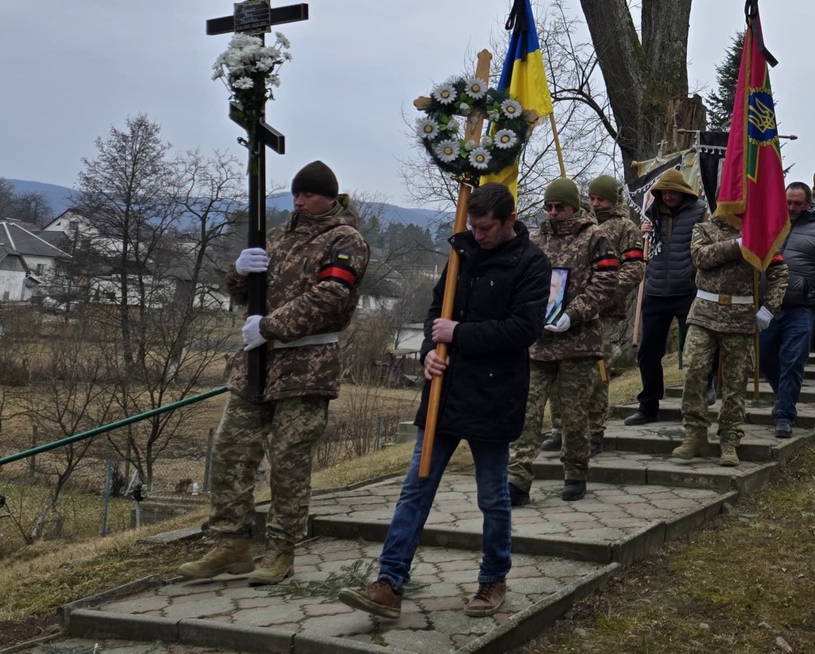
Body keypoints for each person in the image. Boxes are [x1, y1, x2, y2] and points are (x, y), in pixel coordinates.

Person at [339, 182, 548, 622]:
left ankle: (493, 579)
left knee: (493, 496)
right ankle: (389, 582)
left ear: (510, 220)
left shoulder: (533, 263)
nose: (478, 235)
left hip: (495, 395)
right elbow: (438, 314)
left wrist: (460, 336)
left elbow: (523, 329)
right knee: (415, 489)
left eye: (486, 227)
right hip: (445, 391)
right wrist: (429, 353)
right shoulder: (461, 253)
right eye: (472, 226)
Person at [179, 161, 368, 586]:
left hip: (306, 366)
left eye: (309, 194)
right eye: (296, 194)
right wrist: (239, 272)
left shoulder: (345, 240)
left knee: (288, 461)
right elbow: (245, 292)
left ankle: (281, 549)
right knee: (231, 451)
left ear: (330, 197)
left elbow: (332, 296)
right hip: (256, 365)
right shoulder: (278, 237)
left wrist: (268, 326)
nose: (300, 201)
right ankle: (231, 543)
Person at [509, 178, 621, 505]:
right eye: (549, 207)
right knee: (527, 412)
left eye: (560, 206)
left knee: (573, 416)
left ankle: (575, 471)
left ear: (575, 205)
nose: (554, 212)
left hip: (579, 343)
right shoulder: (534, 239)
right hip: (538, 343)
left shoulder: (595, 238)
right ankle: (517, 477)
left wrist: (575, 313)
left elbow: (606, 281)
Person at [672, 209, 787, 466]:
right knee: (693, 372)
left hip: (741, 316)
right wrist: (738, 245)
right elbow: (701, 257)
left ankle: (730, 439)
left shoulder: (760, 234)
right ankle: (695, 433)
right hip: (704, 313)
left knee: (736, 382)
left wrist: (769, 308)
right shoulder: (704, 228)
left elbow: (780, 272)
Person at [767, 183, 815, 438]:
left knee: (793, 361)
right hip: (768, 306)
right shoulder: (771, 224)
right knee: (765, 356)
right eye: (788, 202)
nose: (792, 208)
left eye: (798, 203)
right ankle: (784, 397)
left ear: (809, 204)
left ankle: (784, 415)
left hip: (802, 308)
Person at [630, 168, 703, 425]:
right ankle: (648, 405)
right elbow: (638, 250)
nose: (669, 196)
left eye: (674, 192)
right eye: (665, 192)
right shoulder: (650, 213)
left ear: (683, 192)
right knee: (648, 351)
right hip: (655, 291)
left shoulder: (700, 211)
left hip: (688, 290)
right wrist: (642, 234)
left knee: (694, 350)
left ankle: (697, 403)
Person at [583, 174, 645, 454]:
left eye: (601, 199)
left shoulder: (625, 228)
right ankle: (564, 429)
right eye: (592, 198)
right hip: (574, 311)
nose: (596, 204)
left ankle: (594, 431)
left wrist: (604, 291)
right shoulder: (581, 224)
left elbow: (634, 269)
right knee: (567, 373)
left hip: (605, 313)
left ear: (613, 200)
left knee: (598, 372)